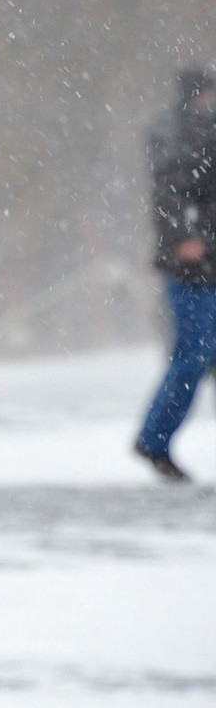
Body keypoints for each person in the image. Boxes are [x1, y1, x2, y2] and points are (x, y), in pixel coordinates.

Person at [135, 67, 216, 483]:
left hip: (203, 265)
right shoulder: (187, 135)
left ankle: (155, 441)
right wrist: (185, 238)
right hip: (194, 270)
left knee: (199, 356)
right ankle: (154, 440)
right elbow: (170, 193)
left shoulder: (194, 131)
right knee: (193, 357)